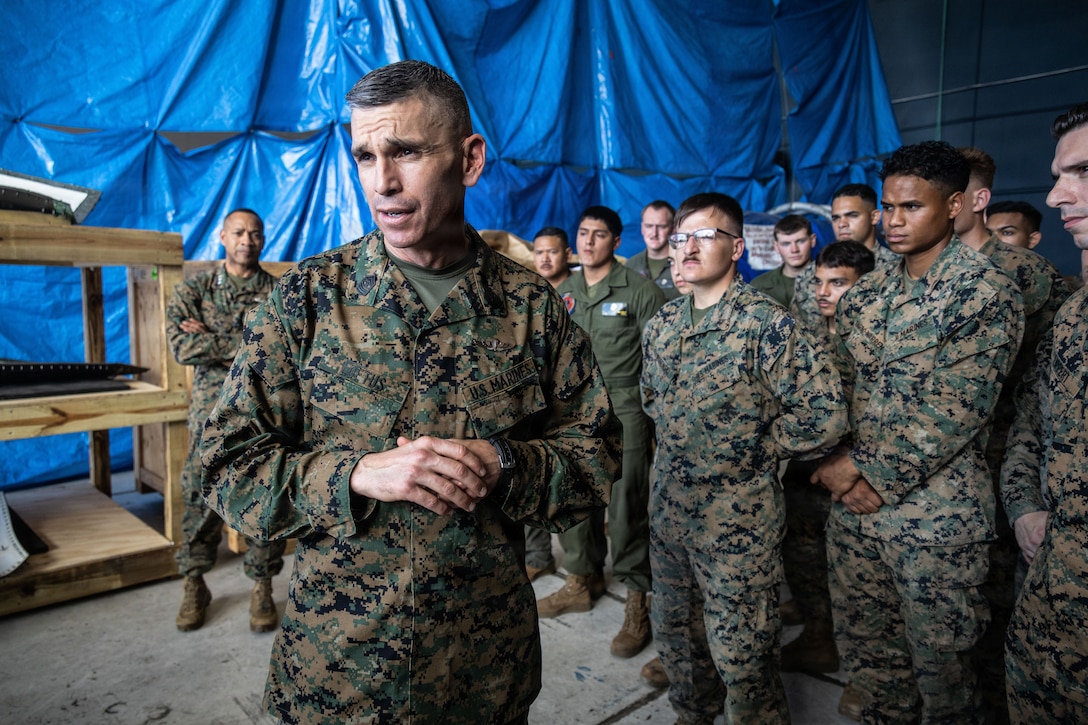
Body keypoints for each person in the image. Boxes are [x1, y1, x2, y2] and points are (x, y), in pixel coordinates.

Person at [199, 60, 622, 725]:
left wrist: (506, 463)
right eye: (365, 157)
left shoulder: (530, 307)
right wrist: (353, 474)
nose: (383, 182)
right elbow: (224, 463)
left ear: (469, 159)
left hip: (482, 675)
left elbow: (597, 453)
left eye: (406, 152)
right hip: (337, 675)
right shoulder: (308, 300)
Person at [812, 140, 1025, 724]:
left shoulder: (985, 294)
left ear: (954, 206)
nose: (894, 221)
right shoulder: (866, 296)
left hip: (935, 527)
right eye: (887, 207)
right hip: (856, 521)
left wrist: (857, 471)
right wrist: (831, 460)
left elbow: (954, 410)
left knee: (947, 685)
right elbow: (835, 391)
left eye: (912, 207)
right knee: (874, 674)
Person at [641, 192, 848, 723]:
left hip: (736, 525)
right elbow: (652, 401)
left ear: (736, 248)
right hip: (670, 515)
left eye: (704, 236)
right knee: (679, 641)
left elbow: (824, 414)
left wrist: (758, 445)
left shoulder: (767, 324)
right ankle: (692, 714)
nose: (688, 247)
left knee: (744, 657)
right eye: (681, 237)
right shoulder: (664, 325)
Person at [953, 144, 1075, 722]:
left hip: (1009, 458)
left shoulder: (1030, 275)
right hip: (956, 471)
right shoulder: (920, 275)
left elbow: (1044, 385)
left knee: (1006, 594)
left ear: (974, 198)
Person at [537, 205, 665, 661]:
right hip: (574, 413)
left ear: (616, 242)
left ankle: (637, 600)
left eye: (600, 234)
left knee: (627, 508)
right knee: (575, 499)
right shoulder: (564, 293)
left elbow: (662, 360)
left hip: (626, 410)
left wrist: (658, 420)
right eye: (583, 233)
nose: (589, 242)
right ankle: (581, 580)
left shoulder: (640, 291)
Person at [1005, 100, 1088, 723]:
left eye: (1082, 172)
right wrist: (1025, 505)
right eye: (1060, 175)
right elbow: (1032, 420)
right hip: (1052, 588)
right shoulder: (1074, 315)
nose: (1057, 196)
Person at [166, 207, 286, 633]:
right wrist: (247, 341)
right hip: (209, 417)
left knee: (264, 498)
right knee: (198, 498)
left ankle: (262, 587)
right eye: (238, 232)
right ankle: (194, 584)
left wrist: (213, 340)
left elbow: (281, 352)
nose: (247, 240)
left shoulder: (279, 292)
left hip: (260, 415)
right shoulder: (195, 290)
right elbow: (182, 347)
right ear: (222, 237)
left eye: (255, 233)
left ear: (264, 238)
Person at [777, 240, 875, 680]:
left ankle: (863, 673)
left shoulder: (877, 342)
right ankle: (818, 637)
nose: (823, 292)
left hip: (856, 480)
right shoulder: (807, 339)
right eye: (818, 282)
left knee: (858, 579)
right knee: (805, 560)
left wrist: (859, 470)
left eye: (837, 283)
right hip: (806, 476)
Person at [522, 225, 573, 581]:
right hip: (533, 399)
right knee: (530, 477)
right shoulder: (528, 291)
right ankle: (539, 556)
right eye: (539, 252)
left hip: (567, 401)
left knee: (567, 481)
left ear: (566, 254)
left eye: (552, 251)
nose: (544, 258)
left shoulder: (578, 293)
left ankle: (582, 570)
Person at [791, 183, 897, 330]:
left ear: (874, 217)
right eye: (836, 218)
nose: (842, 224)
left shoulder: (897, 270)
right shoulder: (809, 274)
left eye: (852, 215)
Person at [750, 213, 816, 308]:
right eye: (786, 244)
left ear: (812, 240)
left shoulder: (829, 281)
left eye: (800, 241)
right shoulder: (759, 286)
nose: (794, 250)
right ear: (776, 246)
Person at [625, 200, 682, 300]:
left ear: (673, 229)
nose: (654, 233)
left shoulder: (683, 263)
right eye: (649, 226)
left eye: (661, 227)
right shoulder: (630, 266)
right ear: (642, 228)